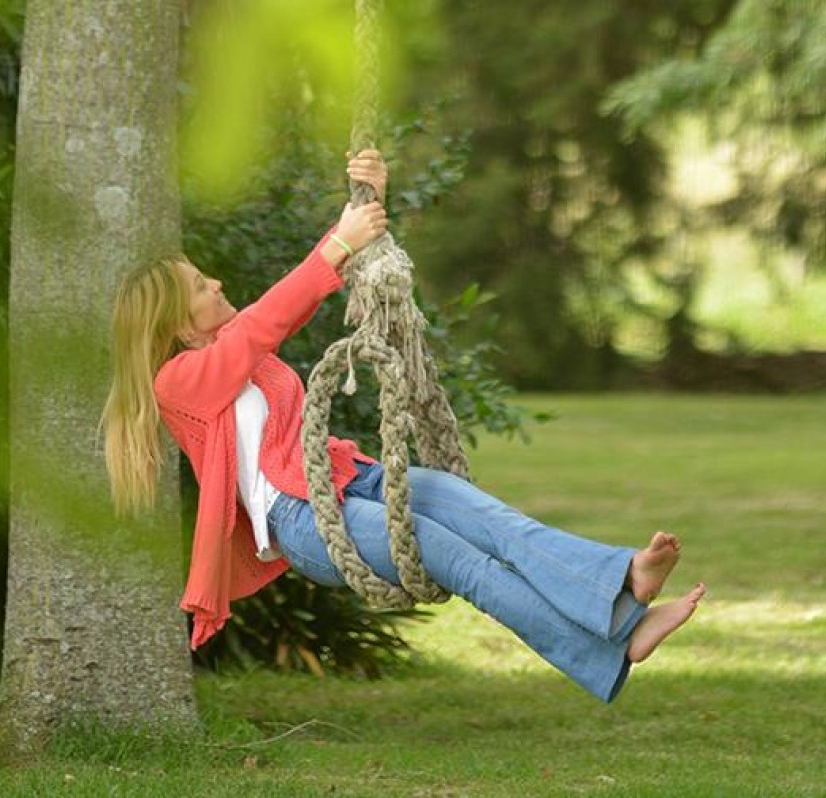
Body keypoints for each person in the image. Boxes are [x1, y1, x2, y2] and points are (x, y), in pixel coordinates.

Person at [101, 149, 705, 703]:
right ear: (179, 324)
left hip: (349, 478)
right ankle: (613, 647)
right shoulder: (179, 383)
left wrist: (362, 203)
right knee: (446, 550)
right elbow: (267, 320)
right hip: (303, 518)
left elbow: (290, 303)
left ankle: (623, 581)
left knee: (483, 516)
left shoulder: (233, 348)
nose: (218, 284)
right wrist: (338, 242)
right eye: (203, 286)